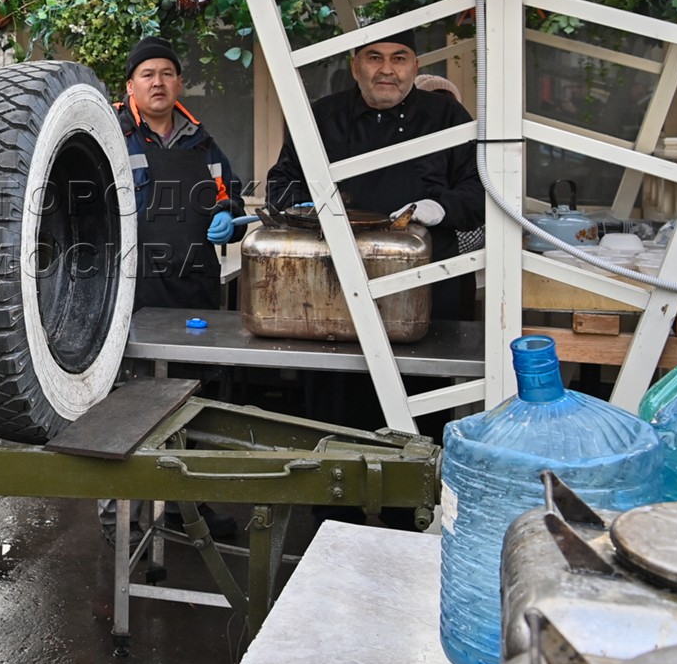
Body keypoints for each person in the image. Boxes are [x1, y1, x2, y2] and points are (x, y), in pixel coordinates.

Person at [100, 36, 243, 550]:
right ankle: (119, 510)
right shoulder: (109, 135)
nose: (157, 82)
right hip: (129, 292)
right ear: (130, 86)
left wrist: (231, 217)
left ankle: (189, 506)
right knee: (127, 399)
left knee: (192, 399)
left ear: (178, 82)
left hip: (193, 290)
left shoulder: (201, 141)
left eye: (166, 72)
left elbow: (231, 193)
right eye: (147, 74)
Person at [264, 30, 483, 320]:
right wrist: (309, 208)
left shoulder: (447, 116)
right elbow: (281, 184)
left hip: (430, 284)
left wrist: (440, 208)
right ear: (355, 67)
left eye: (399, 58)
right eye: (375, 58)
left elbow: (481, 191)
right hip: (333, 285)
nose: (387, 70)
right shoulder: (322, 117)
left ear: (415, 67)